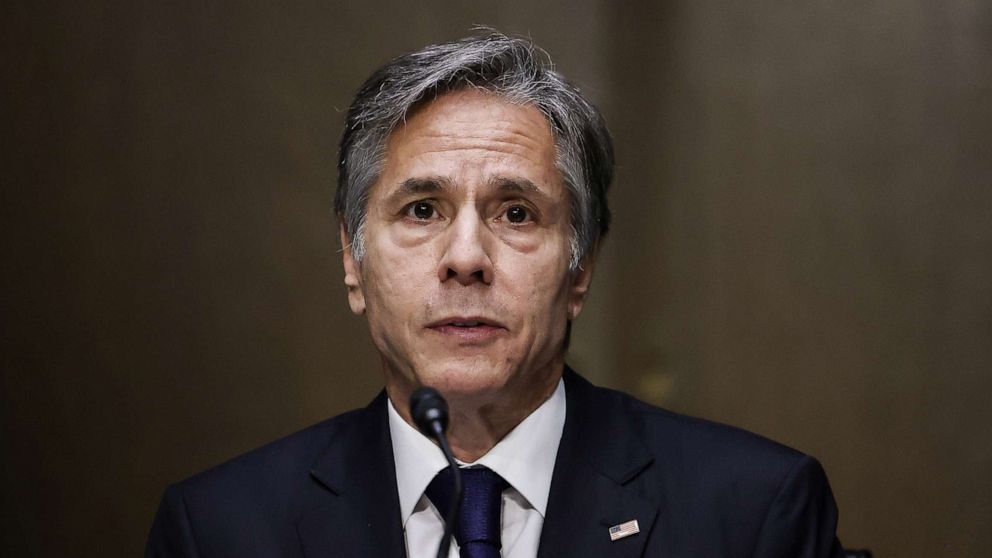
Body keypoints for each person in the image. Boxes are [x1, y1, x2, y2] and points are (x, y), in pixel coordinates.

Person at [146, 30, 844, 558]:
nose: (467, 259)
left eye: (516, 213)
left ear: (581, 268)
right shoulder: (220, 530)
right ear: (352, 261)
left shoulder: (752, 513)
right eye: (421, 210)